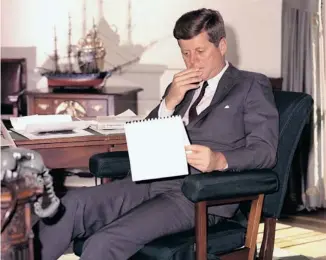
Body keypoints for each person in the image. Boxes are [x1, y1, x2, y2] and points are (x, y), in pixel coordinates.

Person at [35, 8, 279, 260]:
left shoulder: (250, 85)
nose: (192, 61)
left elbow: (265, 151)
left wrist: (219, 159)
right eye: (185, 53)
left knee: (105, 241)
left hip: (197, 194)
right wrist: (169, 103)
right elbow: (146, 136)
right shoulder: (181, 87)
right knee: (70, 205)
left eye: (200, 52)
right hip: (148, 182)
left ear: (222, 45)